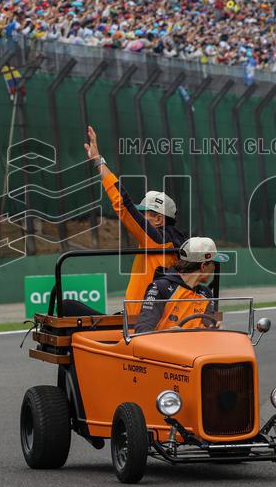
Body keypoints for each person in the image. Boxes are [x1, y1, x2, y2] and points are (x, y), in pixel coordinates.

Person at [84, 125, 186, 303]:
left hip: (139, 320)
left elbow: (122, 203)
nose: (140, 217)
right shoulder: (176, 242)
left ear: (159, 219)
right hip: (143, 317)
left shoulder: (155, 240)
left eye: (145, 213)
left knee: (67, 307)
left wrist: (98, 161)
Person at [133, 237, 229, 333]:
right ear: (203, 266)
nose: (214, 269)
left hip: (197, 345)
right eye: (214, 264)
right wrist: (167, 334)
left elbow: (209, 322)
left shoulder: (206, 293)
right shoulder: (161, 287)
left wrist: (215, 327)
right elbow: (142, 330)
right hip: (165, 346)